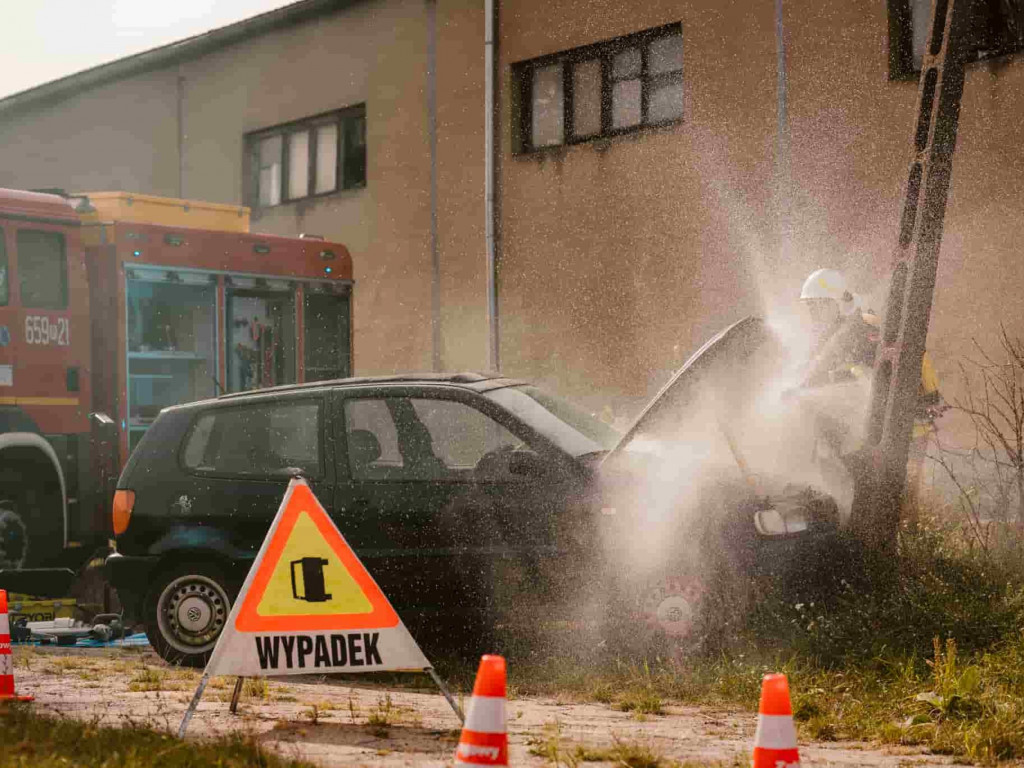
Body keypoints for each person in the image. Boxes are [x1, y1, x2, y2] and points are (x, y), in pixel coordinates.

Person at [796, 268, 945, 516]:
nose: (813, 314)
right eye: (810, 307)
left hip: (905, 425)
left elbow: (884, 375)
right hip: (868, 431)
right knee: (863, 493)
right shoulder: (830, 335)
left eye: (818, 306)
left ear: (836, 303)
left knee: (899, 499)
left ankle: (909, 544)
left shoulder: (868, 329)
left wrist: (842, 376)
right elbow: (815, 374)